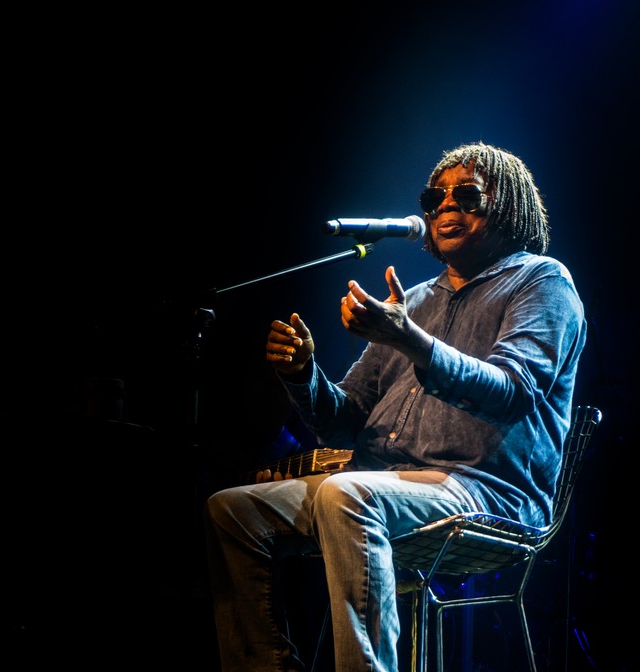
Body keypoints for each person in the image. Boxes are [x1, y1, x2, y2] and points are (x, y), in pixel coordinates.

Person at [203, 141, 587, 671]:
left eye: (468, 195)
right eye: (436, 198)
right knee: (232, 509)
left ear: (510, 207)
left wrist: (411, 340)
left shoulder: (542, 282)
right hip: (382, 482)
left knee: (346, 495)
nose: (446, 207)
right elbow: (344, 420)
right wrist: (302, 374)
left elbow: (513, 389)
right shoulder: (416, 301)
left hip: (484, 491)